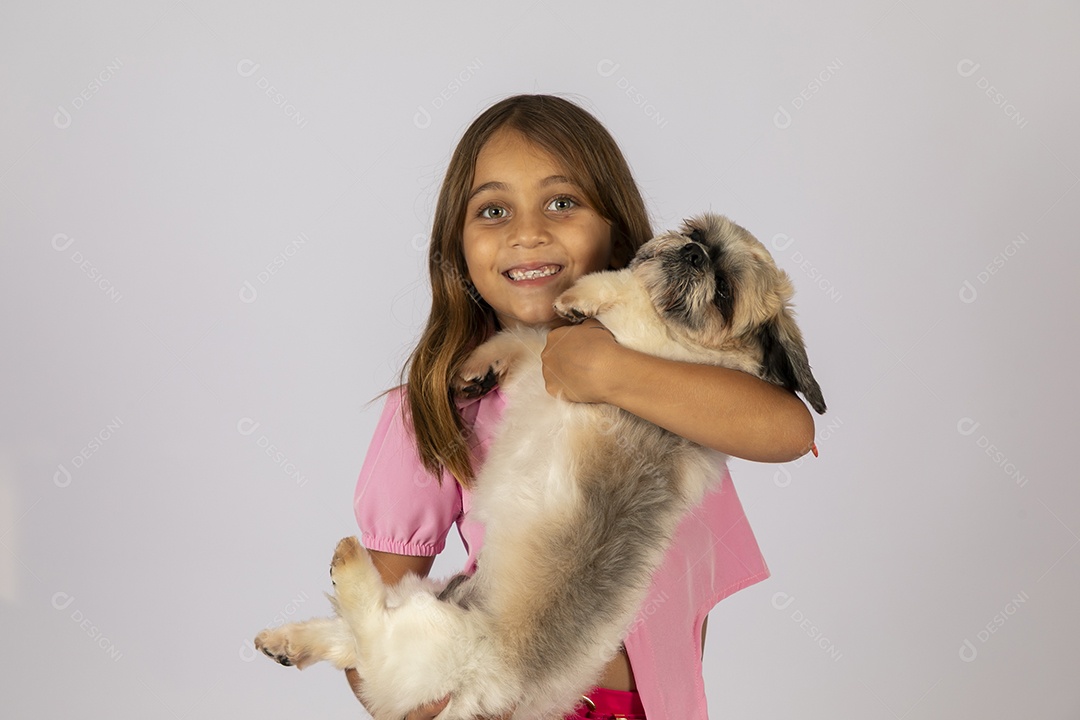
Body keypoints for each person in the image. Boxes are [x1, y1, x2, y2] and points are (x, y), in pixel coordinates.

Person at [345, 94, 816, 720]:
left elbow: (787, 429)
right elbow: (372, 622)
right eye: (492, 210)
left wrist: (611, 370)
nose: (527, 232)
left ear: (618, 232)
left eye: (562, 202)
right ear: (456, 252)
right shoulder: (439, 405)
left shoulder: (677, 371)